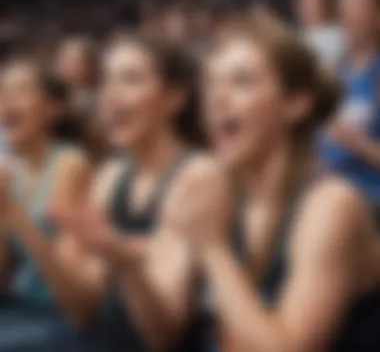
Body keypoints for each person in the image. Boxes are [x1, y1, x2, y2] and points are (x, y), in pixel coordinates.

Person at [172, 23, 380, 351]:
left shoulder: (332, 204)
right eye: (210, 83)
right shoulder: (222, 195)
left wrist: (212, 248)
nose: (216, 98)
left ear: (295, 104)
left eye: (241, 81)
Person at [54, 34, 214, 352]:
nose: (109, 95)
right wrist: (18, 218)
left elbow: (163, 336)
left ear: (174, 98)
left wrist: (120, 258)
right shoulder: (110, 175)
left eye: (130, 79)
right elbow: (81, 311)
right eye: (106, 81)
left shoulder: (199, 174)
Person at [0, 58, 106, 352]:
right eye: (2, 90)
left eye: (20, 90)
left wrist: (11, 210)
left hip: (59, 317)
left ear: (52, 109)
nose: (6, 99)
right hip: (19, 310)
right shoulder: (11, 171)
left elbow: (67, 288)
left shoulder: (70, 164)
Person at [319, 0, 380, 215]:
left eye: (355, 8)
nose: (345, 17)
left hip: (369, 204)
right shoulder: (336, 72)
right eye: (342, 8)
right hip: (329, 198)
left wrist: (356, 142)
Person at [296, 0, 344, 68]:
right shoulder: (300, 36)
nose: (307, 9)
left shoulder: (338, 35)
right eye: (304, 4)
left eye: (312, 4)